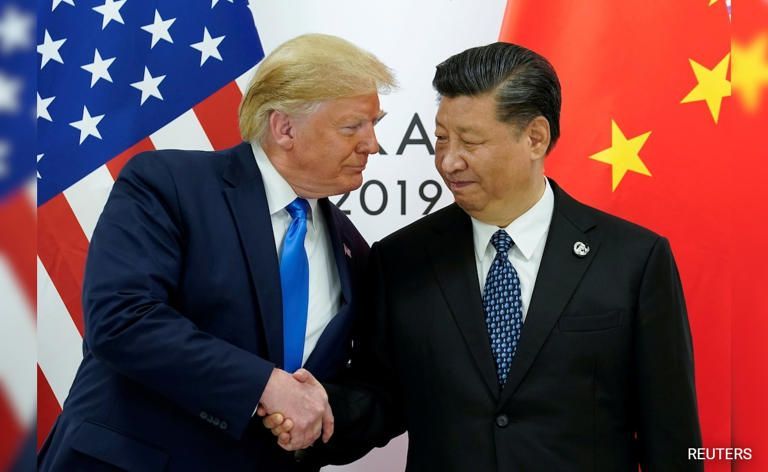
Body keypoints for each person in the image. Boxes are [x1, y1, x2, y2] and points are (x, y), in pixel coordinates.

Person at [266, 42, 702, 471]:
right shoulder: (401, 259)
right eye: (440, 139)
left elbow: (672, 434)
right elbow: (380, 398)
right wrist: (312, 414)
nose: (449, 162)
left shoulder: (634, 260)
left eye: (470, 142)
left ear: (535, 137)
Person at [37, 33, 395, 471]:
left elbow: (366, 388)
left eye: (374, 124)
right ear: (284, 128)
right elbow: (121, 317)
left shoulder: (353, 249)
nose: (372, 144)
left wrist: (318, 410)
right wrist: (266, 385)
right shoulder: (169, 184)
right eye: (352, 126)